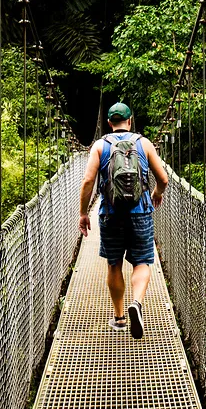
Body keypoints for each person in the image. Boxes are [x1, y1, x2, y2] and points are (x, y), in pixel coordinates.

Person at [78, 102, 169, 339]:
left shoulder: (100, 146)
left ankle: (119, 318)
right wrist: (156, 193)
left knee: (114, 264)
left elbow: (88, 181)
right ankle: (136, 303)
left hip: (110, 214)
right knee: (142, 262)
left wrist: (83, 213)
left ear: (109, 123)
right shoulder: (144, 143)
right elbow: (163, 179)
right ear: (130, 121)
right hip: (141, 213)